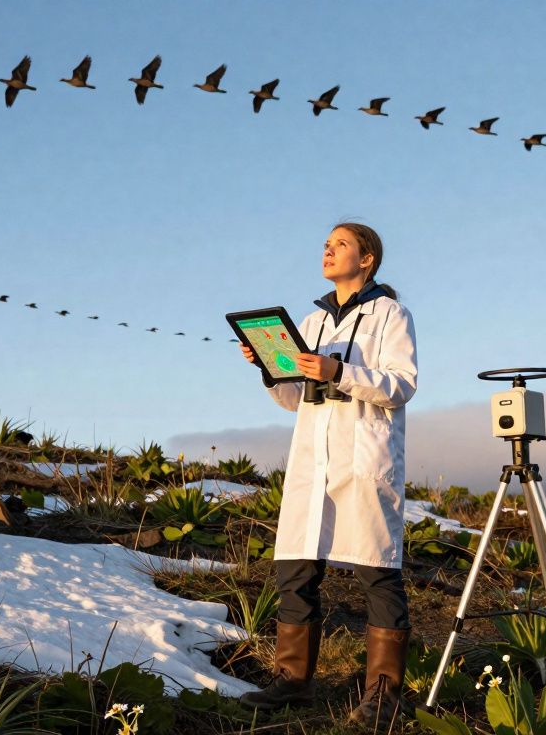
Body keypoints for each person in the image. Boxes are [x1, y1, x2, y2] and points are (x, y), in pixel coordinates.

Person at [236, 221, 418, 725]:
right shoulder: (310, 323)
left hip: (362, 459)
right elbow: (295, 399)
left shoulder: (390, 314)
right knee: (296, 571)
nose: (328, 250)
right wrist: (268, 368)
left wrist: (338, 372)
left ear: (367, 259)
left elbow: (401, 386)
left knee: (377, 572)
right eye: (325, 244)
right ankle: (293, 682)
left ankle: (383, 693)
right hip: (312, 459)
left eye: (340, 244)